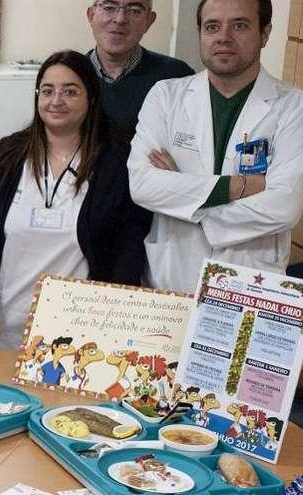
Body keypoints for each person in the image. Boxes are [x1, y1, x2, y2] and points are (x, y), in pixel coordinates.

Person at [0, 50, 152, 350]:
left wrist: (116, 315)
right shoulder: (8, 156)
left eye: (70, 91)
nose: (56, 101)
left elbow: (128, 244)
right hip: (6, 323)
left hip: (81, 332)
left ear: (91, 98)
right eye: (48, 91)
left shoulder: (115, 162)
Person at [127, 0, 303, 293]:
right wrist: (237, 187)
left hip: (251, 286)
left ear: (265, 33)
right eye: (212, 26)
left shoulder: (293, 106)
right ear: (201, 33)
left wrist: (182, 195)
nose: (224, 36)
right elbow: (142, 185)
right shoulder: (166, 96)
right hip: (171, 278)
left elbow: (284, 206)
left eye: (240, 25)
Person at [86, 0, 194, 133]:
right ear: (91, 15)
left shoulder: (176, 77)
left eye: (134, 10)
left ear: (149, 21)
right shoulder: (69, 77)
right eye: (109, 7)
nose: (120, 19)